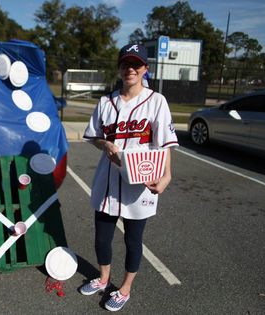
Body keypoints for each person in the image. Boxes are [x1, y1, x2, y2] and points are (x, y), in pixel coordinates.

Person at [80, 43, 179, 312]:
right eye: (126, 63)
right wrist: (105, 145)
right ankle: (103, 278)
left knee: (133, 240)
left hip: (141, 180)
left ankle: (124, 289)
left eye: (136, 64)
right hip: (108, 178)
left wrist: (167, 175)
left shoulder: (156, 101)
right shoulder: (106, 101)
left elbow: (165, 142)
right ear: (120, 68)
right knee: (102, 237)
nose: (130, 68)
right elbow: (94, 136)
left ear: (146, 69)